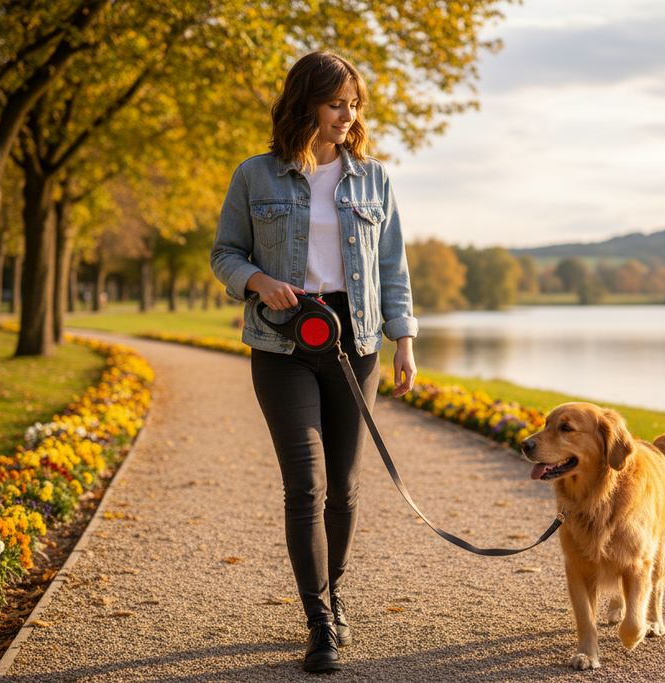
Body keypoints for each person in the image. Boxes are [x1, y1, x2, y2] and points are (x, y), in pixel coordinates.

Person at [210, 50, 417, 674]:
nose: (347, 116)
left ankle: (336, 593)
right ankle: (319, 622)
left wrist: (404, 340)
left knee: (346, 490)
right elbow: (225, 253)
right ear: (306, 104)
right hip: (283, 344)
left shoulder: (374, 178)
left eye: (354, 105)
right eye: (336, 104)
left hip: (357, 343)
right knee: (306, 483)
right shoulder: (256, 176)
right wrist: (258, 281)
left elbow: (392, 270)